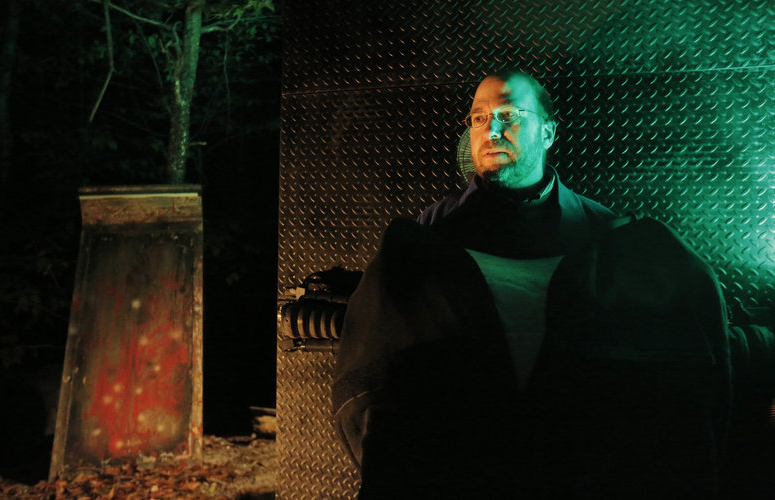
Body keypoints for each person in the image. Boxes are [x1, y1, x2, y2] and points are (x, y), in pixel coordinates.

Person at [331, 70, 773, 499]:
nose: (491, 129)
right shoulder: (428, 238)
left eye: (509, 115)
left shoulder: (608, 236)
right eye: (479, 118)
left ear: (547, 132)